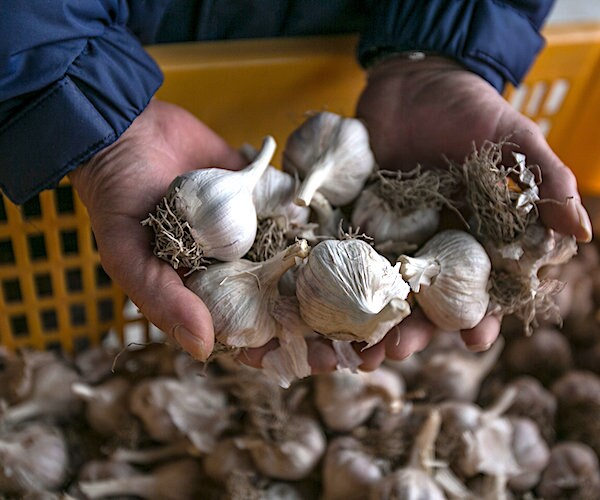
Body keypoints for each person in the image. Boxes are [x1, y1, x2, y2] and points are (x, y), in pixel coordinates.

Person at [1, 1, 592, 372]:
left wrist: (439, 46)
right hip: (62, 111)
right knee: (64, 308)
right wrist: (84, 108)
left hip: (367, 35)